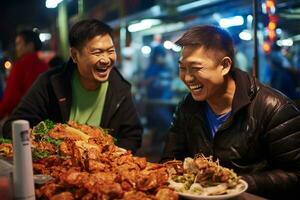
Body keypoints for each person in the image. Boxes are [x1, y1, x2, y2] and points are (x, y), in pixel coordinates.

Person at [161, 25, 300, 199]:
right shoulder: (187, 107)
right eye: (182, 68)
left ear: (225, 65)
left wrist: (233, 183)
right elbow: (169, 161)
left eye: (196, 68)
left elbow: (295, 175)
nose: (187, 78)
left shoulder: (274, 108)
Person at [1, 19, 142, 153]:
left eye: (110, 51)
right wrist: (51, 144)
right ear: (75, 55)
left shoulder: (120, 89)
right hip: (55, 171)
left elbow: (132, 136)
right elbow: (13, 126)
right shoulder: (50, 83)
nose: (106, 59)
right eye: (97, 52)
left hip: (103, 173)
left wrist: (110, 156)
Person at [0, 30, 48, 120]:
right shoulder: (45, 66)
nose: (16, 48)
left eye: (19, 44)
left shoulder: (20, 66)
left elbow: (10, 100)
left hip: (22, 119)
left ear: (30, 45)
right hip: (43, 118)